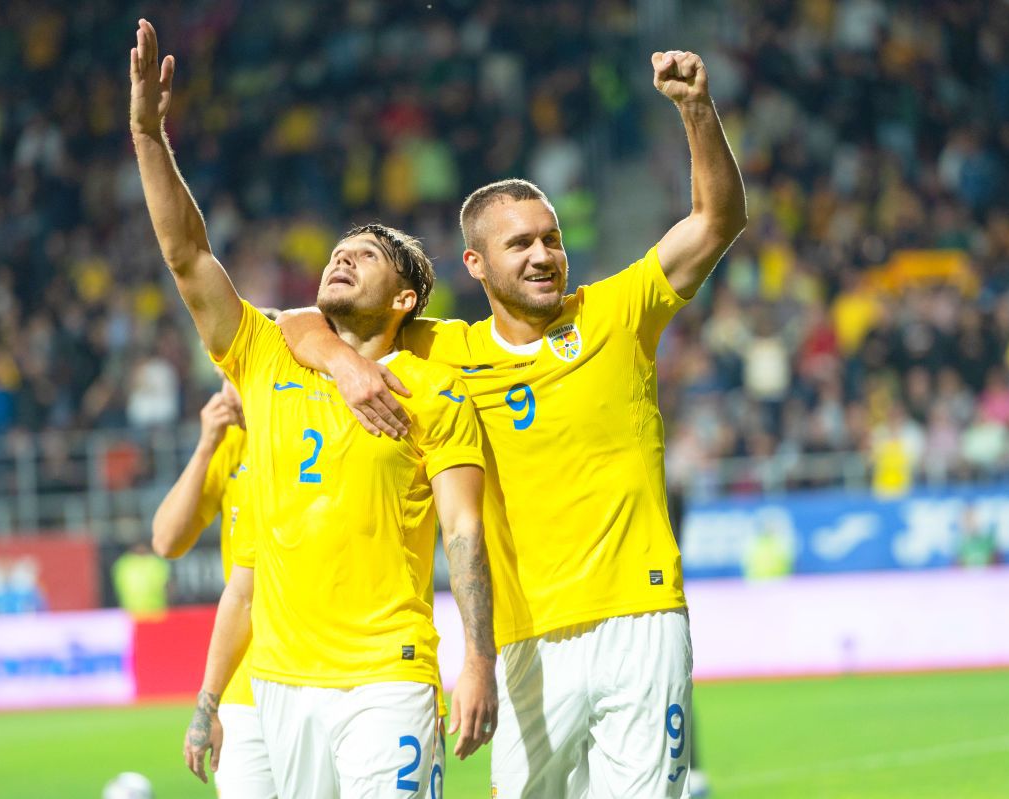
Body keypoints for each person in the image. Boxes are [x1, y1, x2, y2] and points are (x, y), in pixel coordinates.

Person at [278, 50, 746, 796]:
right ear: (477, 265)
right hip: (526, 641)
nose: (543, 255)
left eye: (550, 238)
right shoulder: (444, 350)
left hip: (640, 613)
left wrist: (695, 110)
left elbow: (718, 219)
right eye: (519, 244)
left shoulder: (617, 312)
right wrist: (345, 364)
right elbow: (297, 323)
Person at [129, 19, 496, 797]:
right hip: (281, 683)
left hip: (388, 673)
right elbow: (189, 255)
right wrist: (148, 136)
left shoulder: (433, 389)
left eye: (366, 254)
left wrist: (478, 659)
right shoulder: (267, 355)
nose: (342, 254)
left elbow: (464, 530)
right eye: (339, 247)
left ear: (403, 298)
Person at [151, 372, 274, 798]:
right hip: (243, 688)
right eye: (224, 378)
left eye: (237, 375)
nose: (225, 391)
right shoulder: (230, 446)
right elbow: (166, 540)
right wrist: (206, 445)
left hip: (313, 676)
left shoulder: (312, 435)